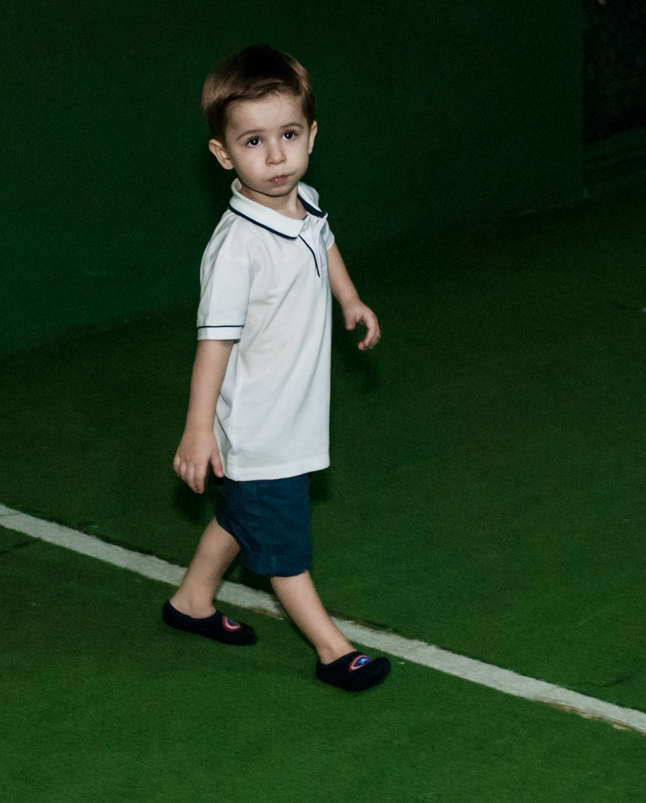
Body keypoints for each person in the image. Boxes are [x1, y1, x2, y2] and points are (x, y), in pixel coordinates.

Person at [164, 44, 390, 692]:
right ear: (223, 153)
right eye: (254, 141)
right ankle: (331, 649)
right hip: (260, 429)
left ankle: (191, 602)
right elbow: (214, 343)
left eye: (289, 135)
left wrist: (348, 298)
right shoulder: (237, 249)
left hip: (293, 414)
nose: (276, 156)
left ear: (312, 135)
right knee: (284, 547)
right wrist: (199, 429)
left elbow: (323, 239)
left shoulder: (305, 201)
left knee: (241, 517)